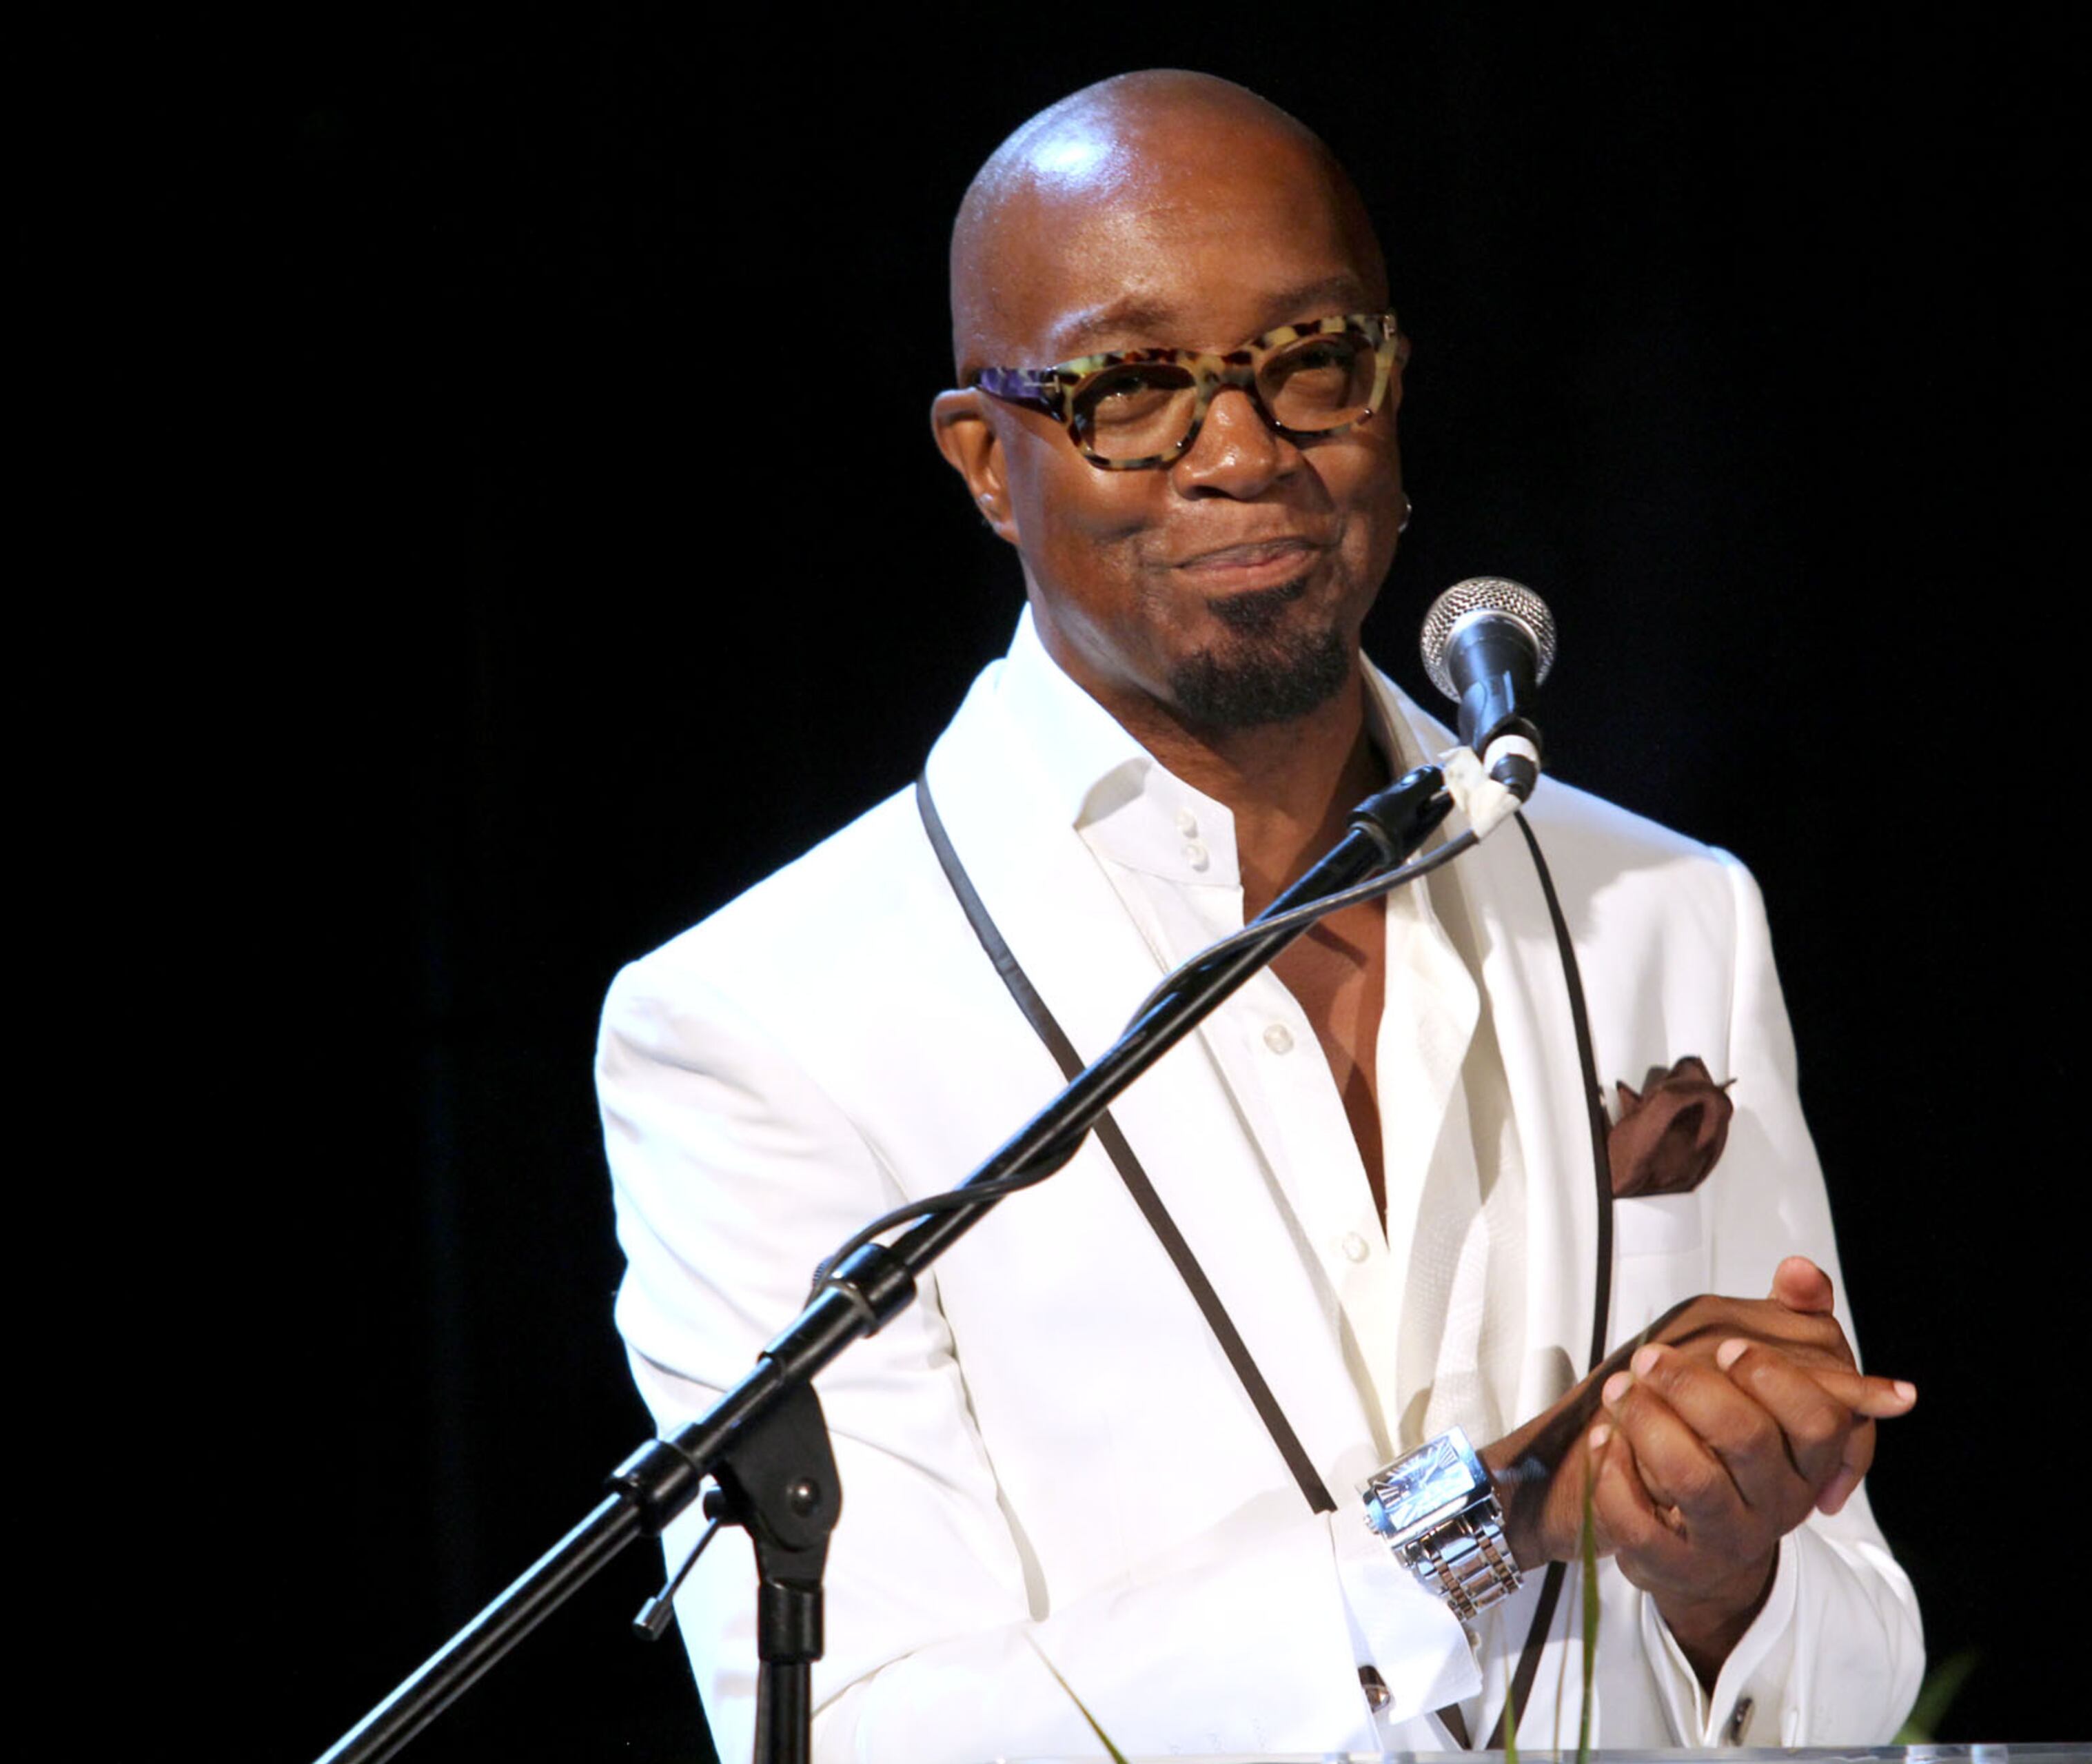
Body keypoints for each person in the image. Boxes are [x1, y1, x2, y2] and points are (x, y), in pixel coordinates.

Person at [600, 69, 1923, 1763]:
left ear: (1392, 382)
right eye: (1132, 391)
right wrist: (1485, 1520)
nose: (1241, 453)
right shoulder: (766, 1018)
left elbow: (1858, 1667)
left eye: (1311, 361)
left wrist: (1728, 1575)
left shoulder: (1664, 909)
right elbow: (868, 1731)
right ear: (986, 462)